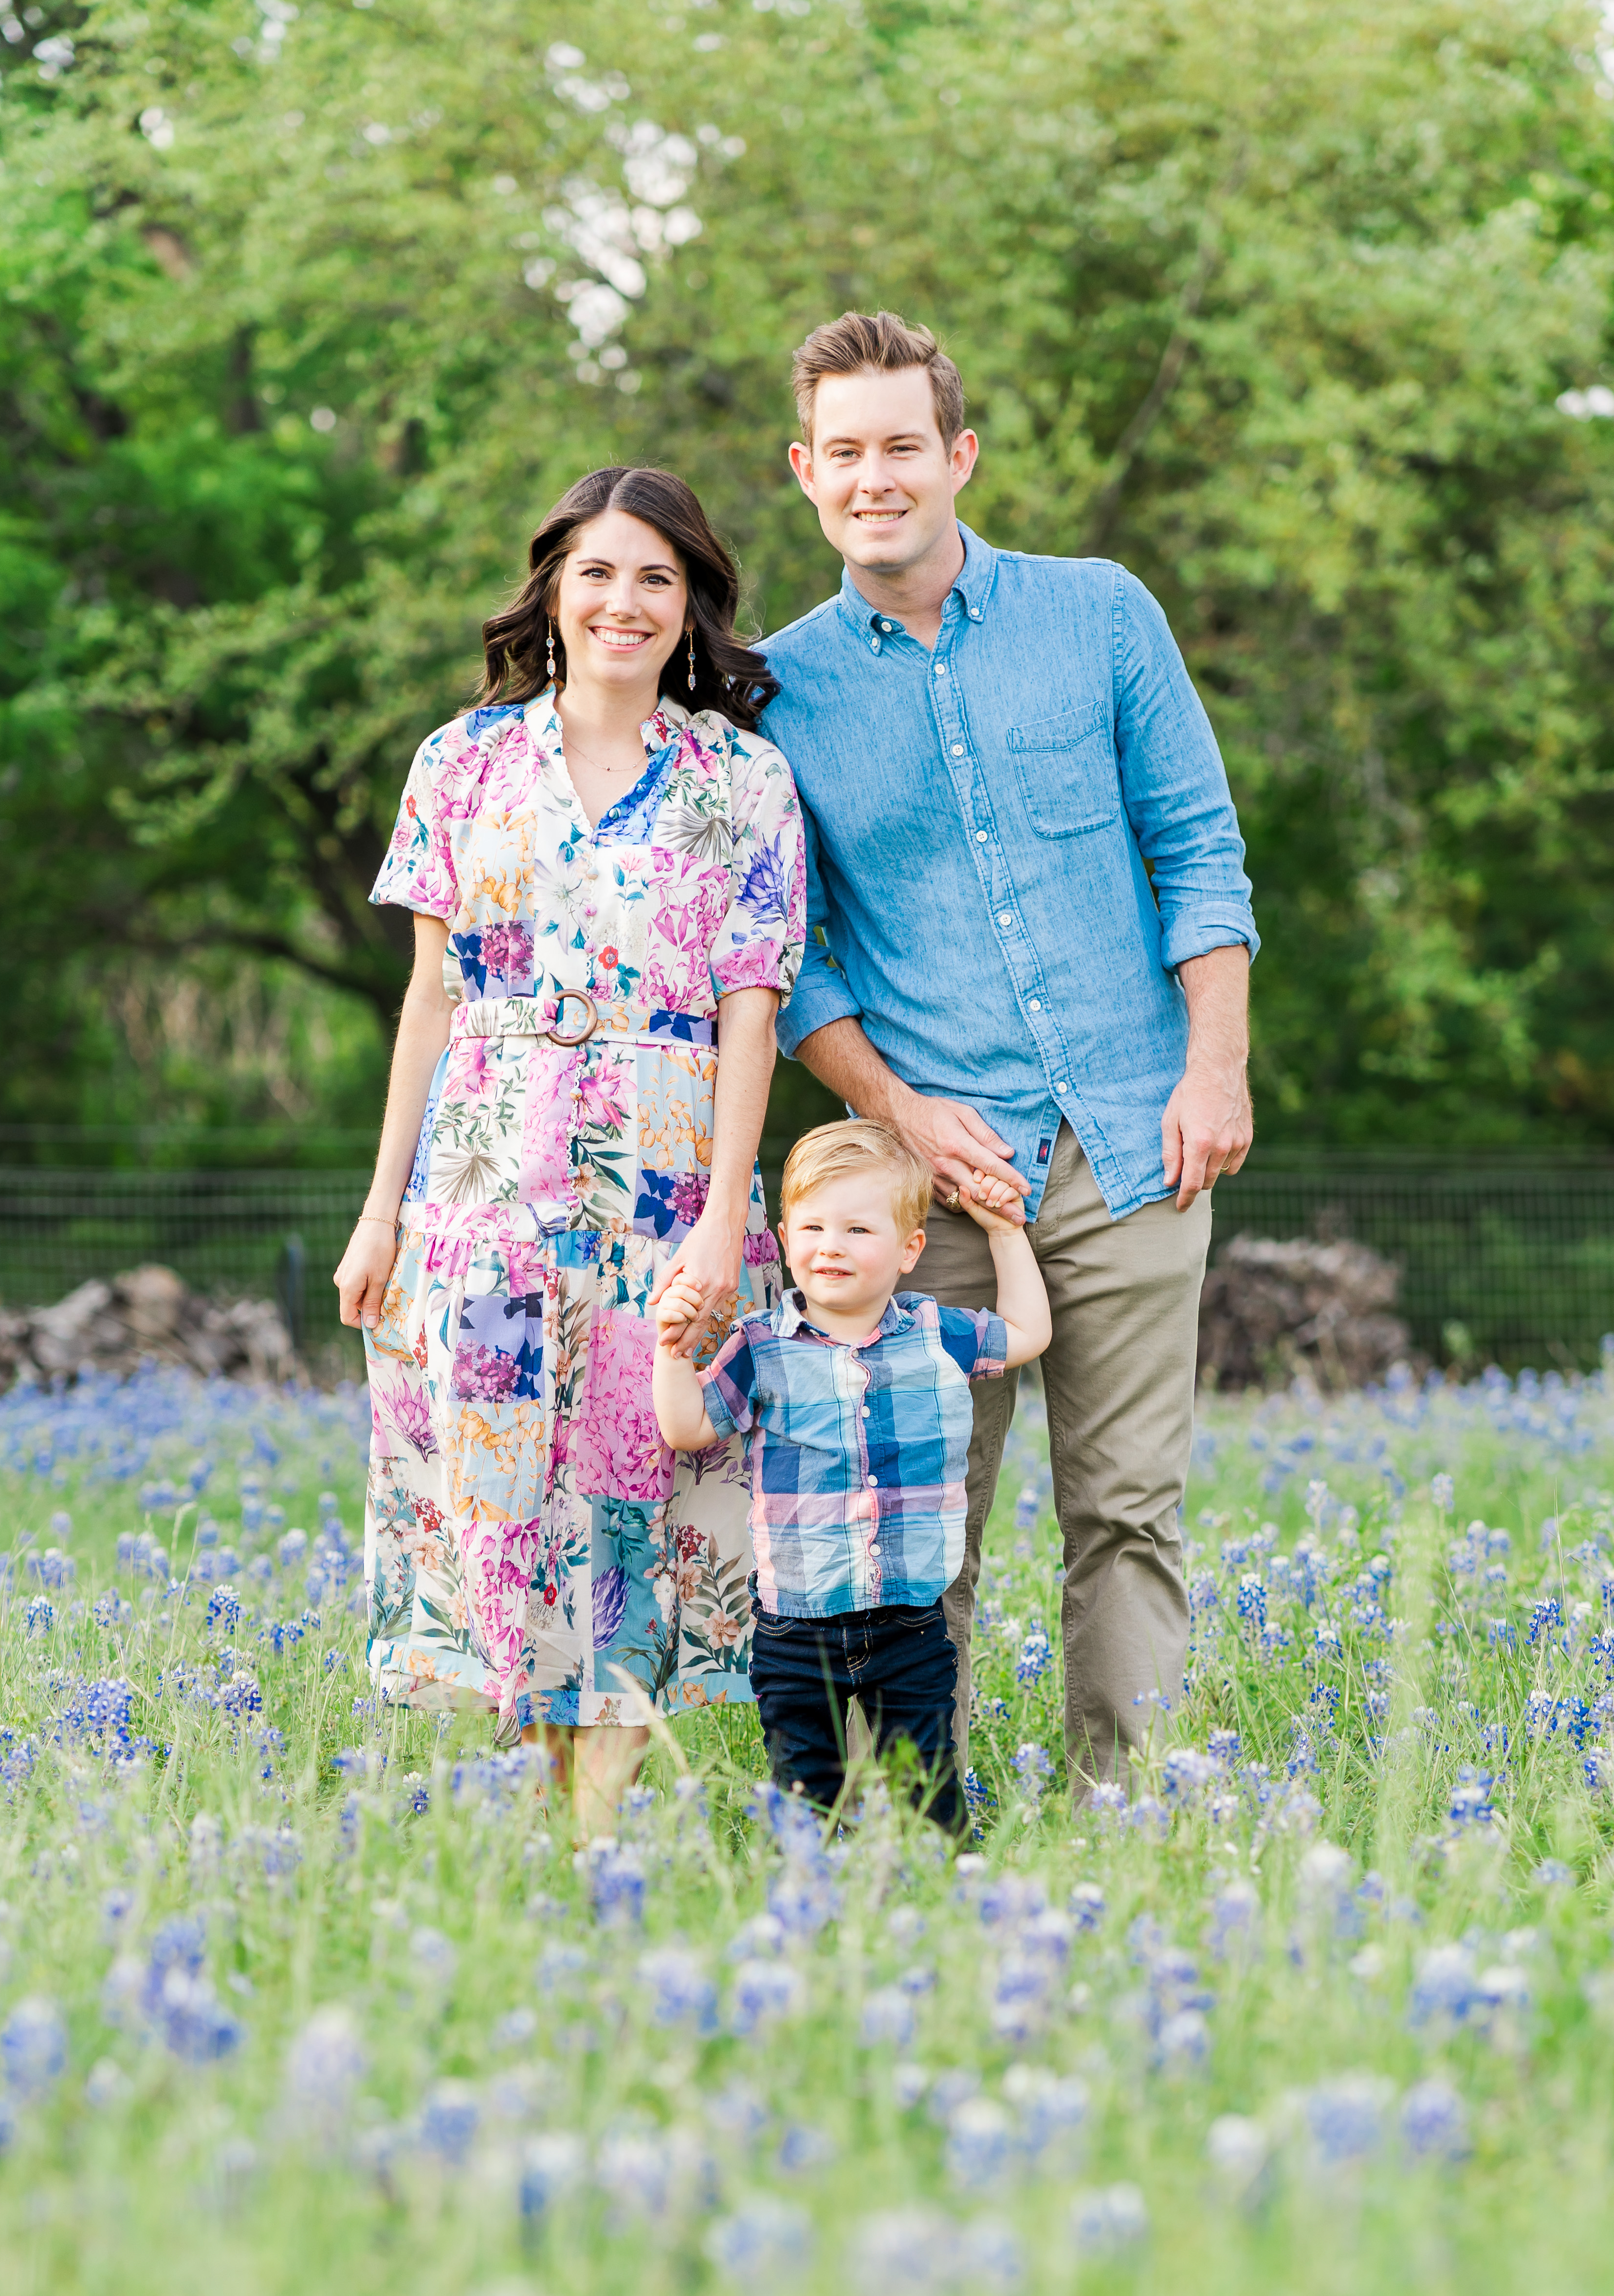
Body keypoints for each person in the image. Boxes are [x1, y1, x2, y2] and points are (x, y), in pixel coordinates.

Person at [757, 311, 1258, 1791]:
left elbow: (1197, 849)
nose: (875, 477)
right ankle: (913, 1821)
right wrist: (900, 1111)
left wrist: (1214, 1066)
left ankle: (1126, 1813)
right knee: (914, 1528)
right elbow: (791, 958)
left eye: (902, 445)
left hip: (1132, 1135)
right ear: (804, 470)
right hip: (927, 1183)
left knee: (1128, 1511)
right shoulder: (770, 691)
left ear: (958, 454)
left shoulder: (1098, 612)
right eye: (843, 451)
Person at [333, 466, 806, 1837]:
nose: (623, 602)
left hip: (666, 1190)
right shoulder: (463, 759)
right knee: (499, 1500)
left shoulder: (741, 777)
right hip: (484, 1183)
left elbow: (753, 1010)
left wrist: (722, 1217)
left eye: (656, 577)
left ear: (690, 604)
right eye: (597, 572)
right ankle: (539, 1817)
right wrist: (380, 1211)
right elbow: (429, 999)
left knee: (634, 1493)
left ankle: (596, 1835)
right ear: (553, 588)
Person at [652, 1119, 1051, 1829]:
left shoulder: (935, 1333)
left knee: (927, 1796)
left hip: (910, 1619)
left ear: (910, 1250)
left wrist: (1003, 1232)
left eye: (858, 1230)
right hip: (795, 1626)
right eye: (812, 1227)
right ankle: (814, 1889)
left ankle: (932, 1883)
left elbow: (1028, 1333)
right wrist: (672, 1348)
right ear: (785, 1239)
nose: (830, 1245)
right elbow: (688, 1428)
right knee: (806, 1799)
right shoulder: (760, 1346)